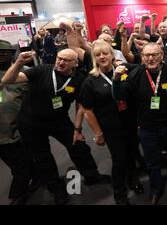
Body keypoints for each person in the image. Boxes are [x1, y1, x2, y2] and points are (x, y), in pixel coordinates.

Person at [1, 48, 110, 205]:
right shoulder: (41, 70)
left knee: (78, 146)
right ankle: (57, 188)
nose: (61, 62)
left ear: (75, 63)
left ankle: (92, 176)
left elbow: (81, 105)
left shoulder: (78, 79)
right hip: (31, 123)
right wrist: (18, 62)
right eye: (59, 58)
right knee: (42, 157)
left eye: (66, 60)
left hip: (59, 121)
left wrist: (77, 129)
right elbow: (7, 80)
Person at [112, 43, 167, 205]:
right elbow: (119, 96)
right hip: (147, 127)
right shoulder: (135, 75)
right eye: (147, 55)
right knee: (152, 161)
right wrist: (116, 80)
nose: (151, 58)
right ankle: (156, 188)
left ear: (161, 55)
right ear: (142, 57)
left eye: (154, 55)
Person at [79, 40, 143, 205]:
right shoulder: (90, 81)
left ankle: (133, 179)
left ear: (112, 55)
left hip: (129, 123)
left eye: (105, 53)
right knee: (119, 159)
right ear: (94, 58)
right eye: (98, 54)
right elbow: (88, 110)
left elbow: (141, 70)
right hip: (110, 127)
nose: (102, 57)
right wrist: (98, 133)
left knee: (132, 153)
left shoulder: (124, 71)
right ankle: (119, 193)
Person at [0, 40, 34, 205]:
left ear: (11, 53)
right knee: (18, 163)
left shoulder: (26, 72)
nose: (2, 55)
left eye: (5, 52)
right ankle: (36, 177)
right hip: (2, 131)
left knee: (21, 165)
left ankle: (18, 195)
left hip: (21, 129)